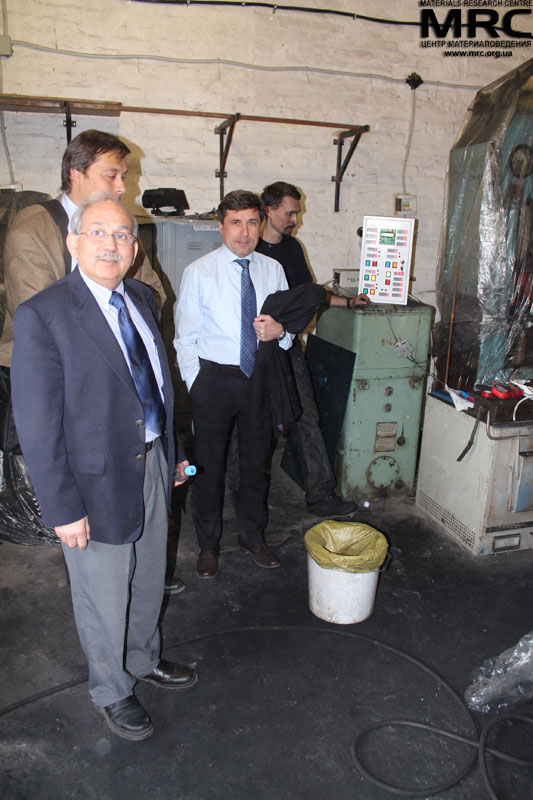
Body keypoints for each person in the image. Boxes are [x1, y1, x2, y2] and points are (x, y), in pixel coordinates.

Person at [11, 195, 197, 742]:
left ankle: (142, 658)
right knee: (103, 593)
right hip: (92, 483)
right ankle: (111, 689)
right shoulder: (43, 314)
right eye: (97, 232)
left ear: (135, 250)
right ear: (73, 242)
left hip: (152, 463)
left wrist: (174, 451)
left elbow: (158, 384)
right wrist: (61, 507)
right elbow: (37, 425)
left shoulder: (140, 297)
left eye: (122, 235)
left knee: (148, 575)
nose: (110, 245)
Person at [0, 129, 184, 594]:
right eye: (112, 175)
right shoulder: (33, 228)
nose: (122, 186)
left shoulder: (122, 235)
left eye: (123, 177)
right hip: (68, 396)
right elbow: (43, 318)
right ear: (76, 174)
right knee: (95, 558)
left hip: (131, 409)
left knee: (141, 560)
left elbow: (150, 291)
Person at [174, 190, 293, 579]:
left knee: (256, 465)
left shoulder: (273, 270)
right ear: (221, 226)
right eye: (236, 223)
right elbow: (185, 338)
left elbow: (288, 329)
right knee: (207, 469)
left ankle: (252, 537)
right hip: (214, 381)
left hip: (259, 380)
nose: (245, 232)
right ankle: (208, 545)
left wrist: (281, 331)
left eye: (252, 222)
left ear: (261, 224)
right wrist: (196, 385)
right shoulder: (199, 272)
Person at [256, 181, 369, 517]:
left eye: (297, 213)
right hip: (256, 348)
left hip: (289, 345)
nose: (295, 219)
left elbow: (312, 294)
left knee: (306, 415)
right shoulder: (251, 249)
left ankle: (320, 495)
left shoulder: (292, 248)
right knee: (252, 419)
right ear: (269, 210)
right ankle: (245, 496)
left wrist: (349, 302)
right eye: (289, 213)